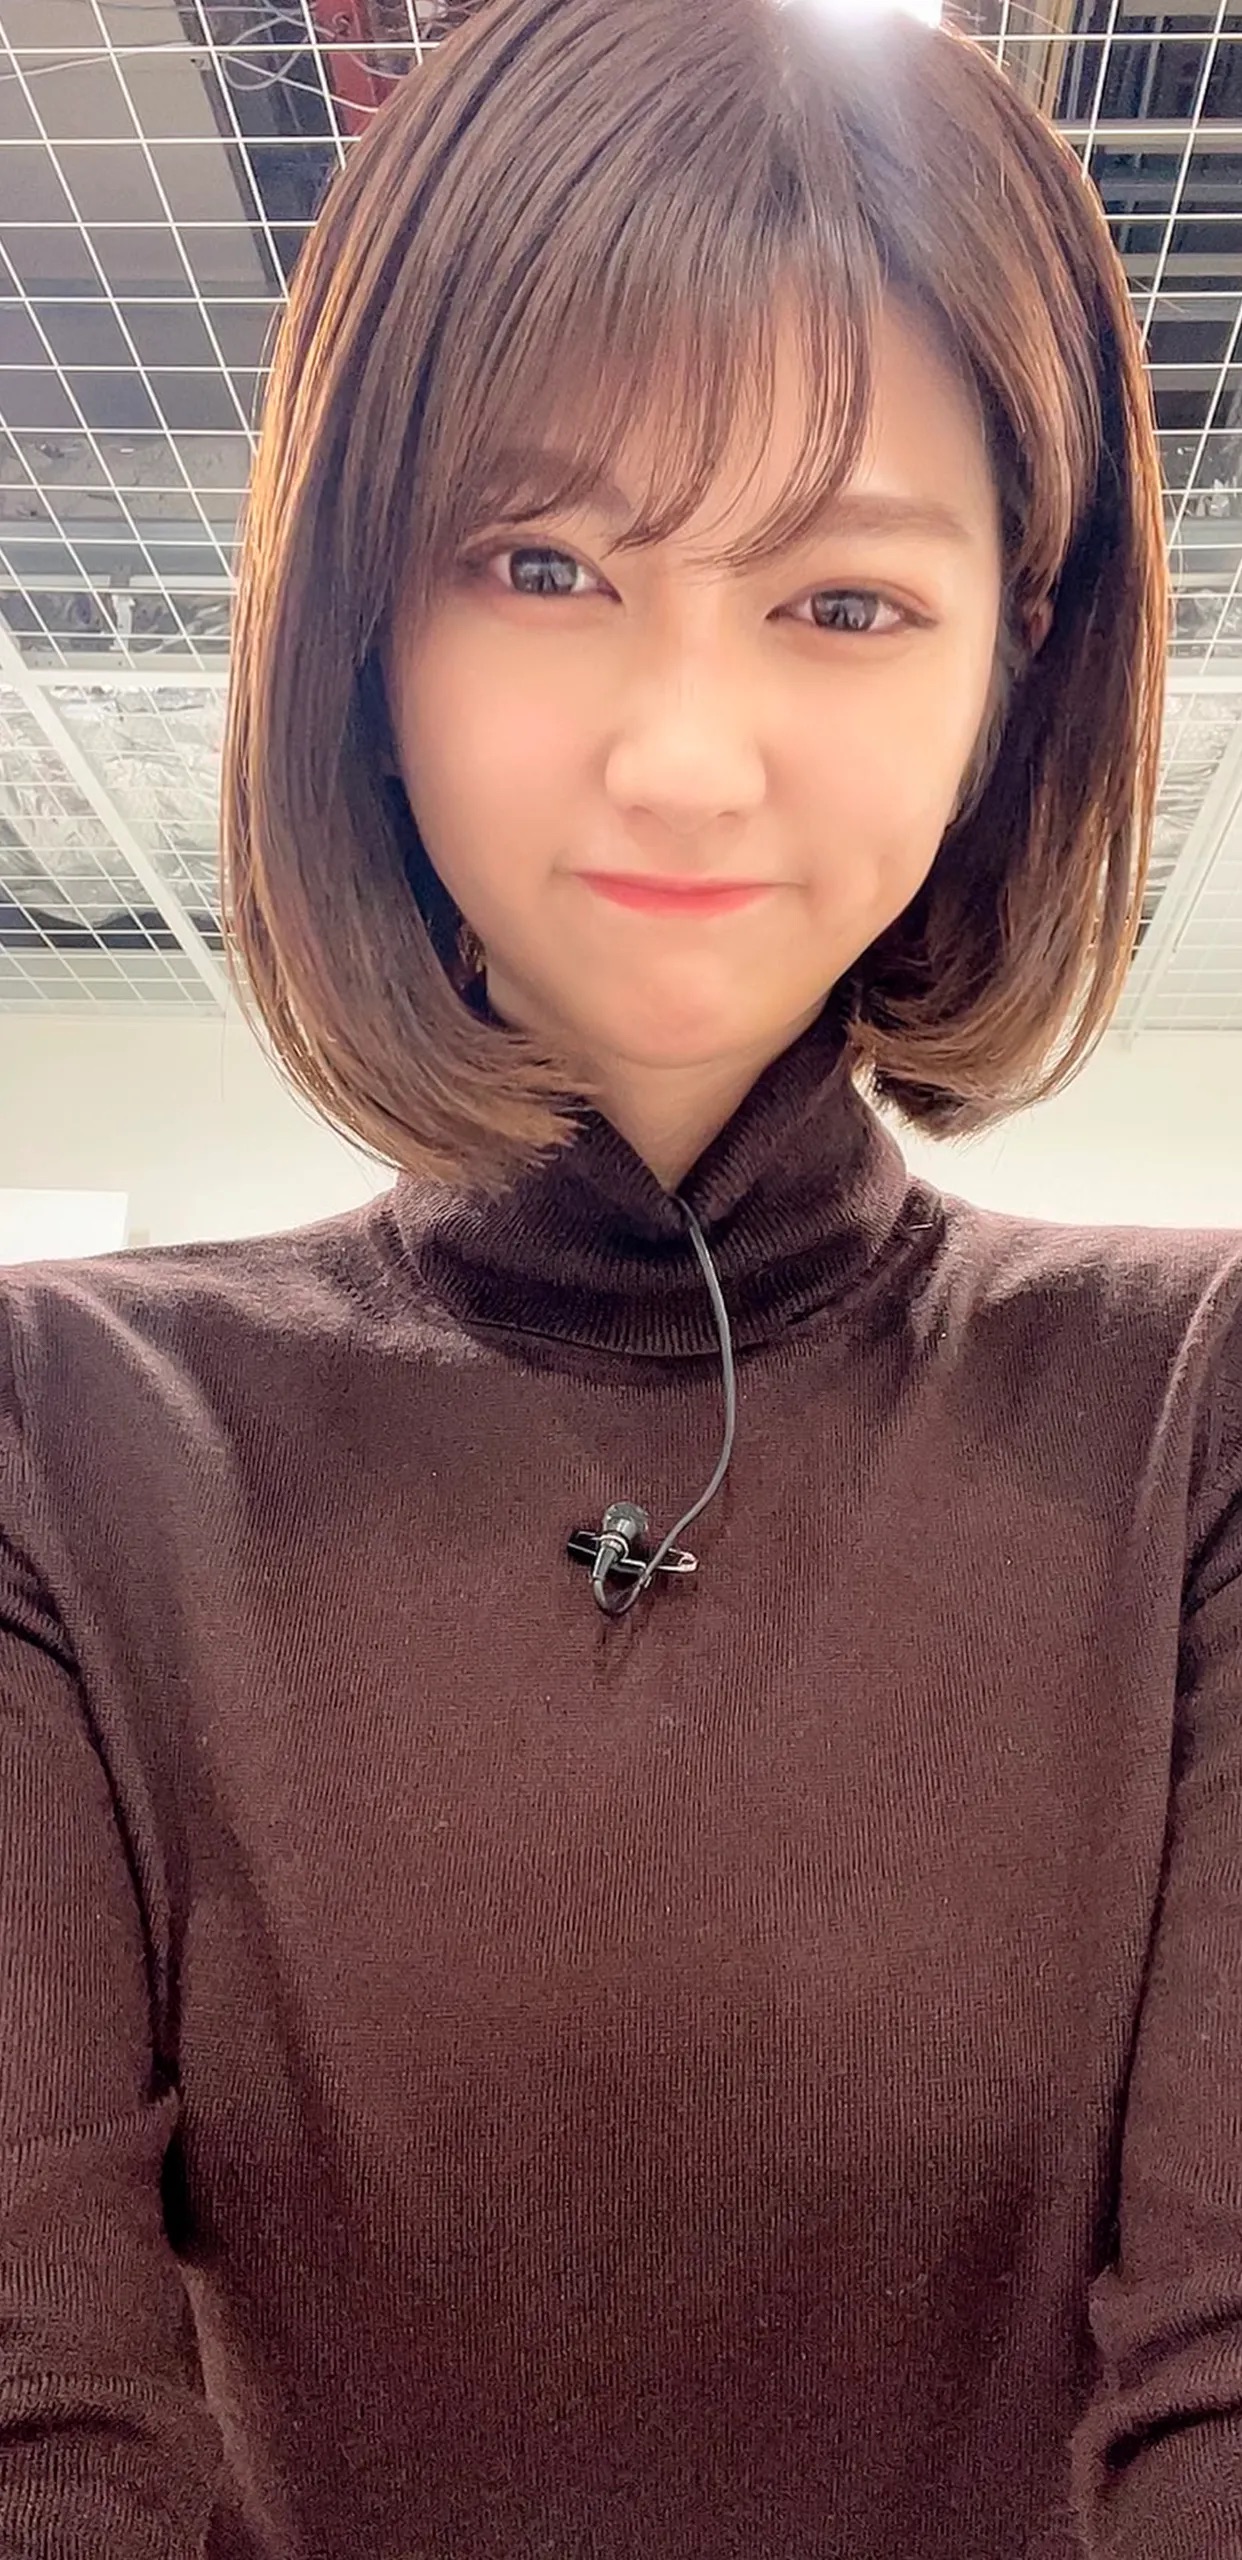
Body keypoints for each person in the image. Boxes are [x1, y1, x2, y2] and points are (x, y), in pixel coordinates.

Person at [2, 0, 1240, 2551]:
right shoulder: (65, 1432)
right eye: (546, 565)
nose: (685, 751)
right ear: (366, 622)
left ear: (1015, 665)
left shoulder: (1197, 1409)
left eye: (844, 600)